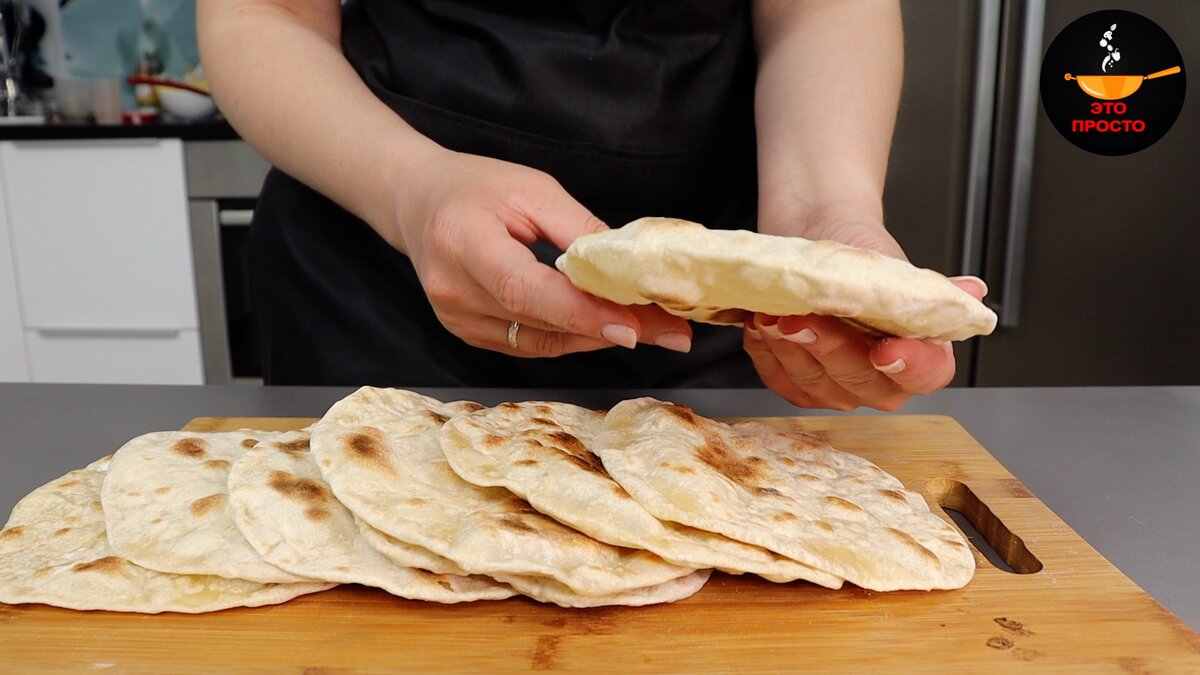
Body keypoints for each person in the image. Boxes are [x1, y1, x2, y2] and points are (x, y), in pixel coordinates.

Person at [197, 0, 986, 411]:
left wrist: (823, 222)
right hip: (373, 267)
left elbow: (823, 7)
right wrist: (409, 189)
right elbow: (263, 14)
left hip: (716, 315)